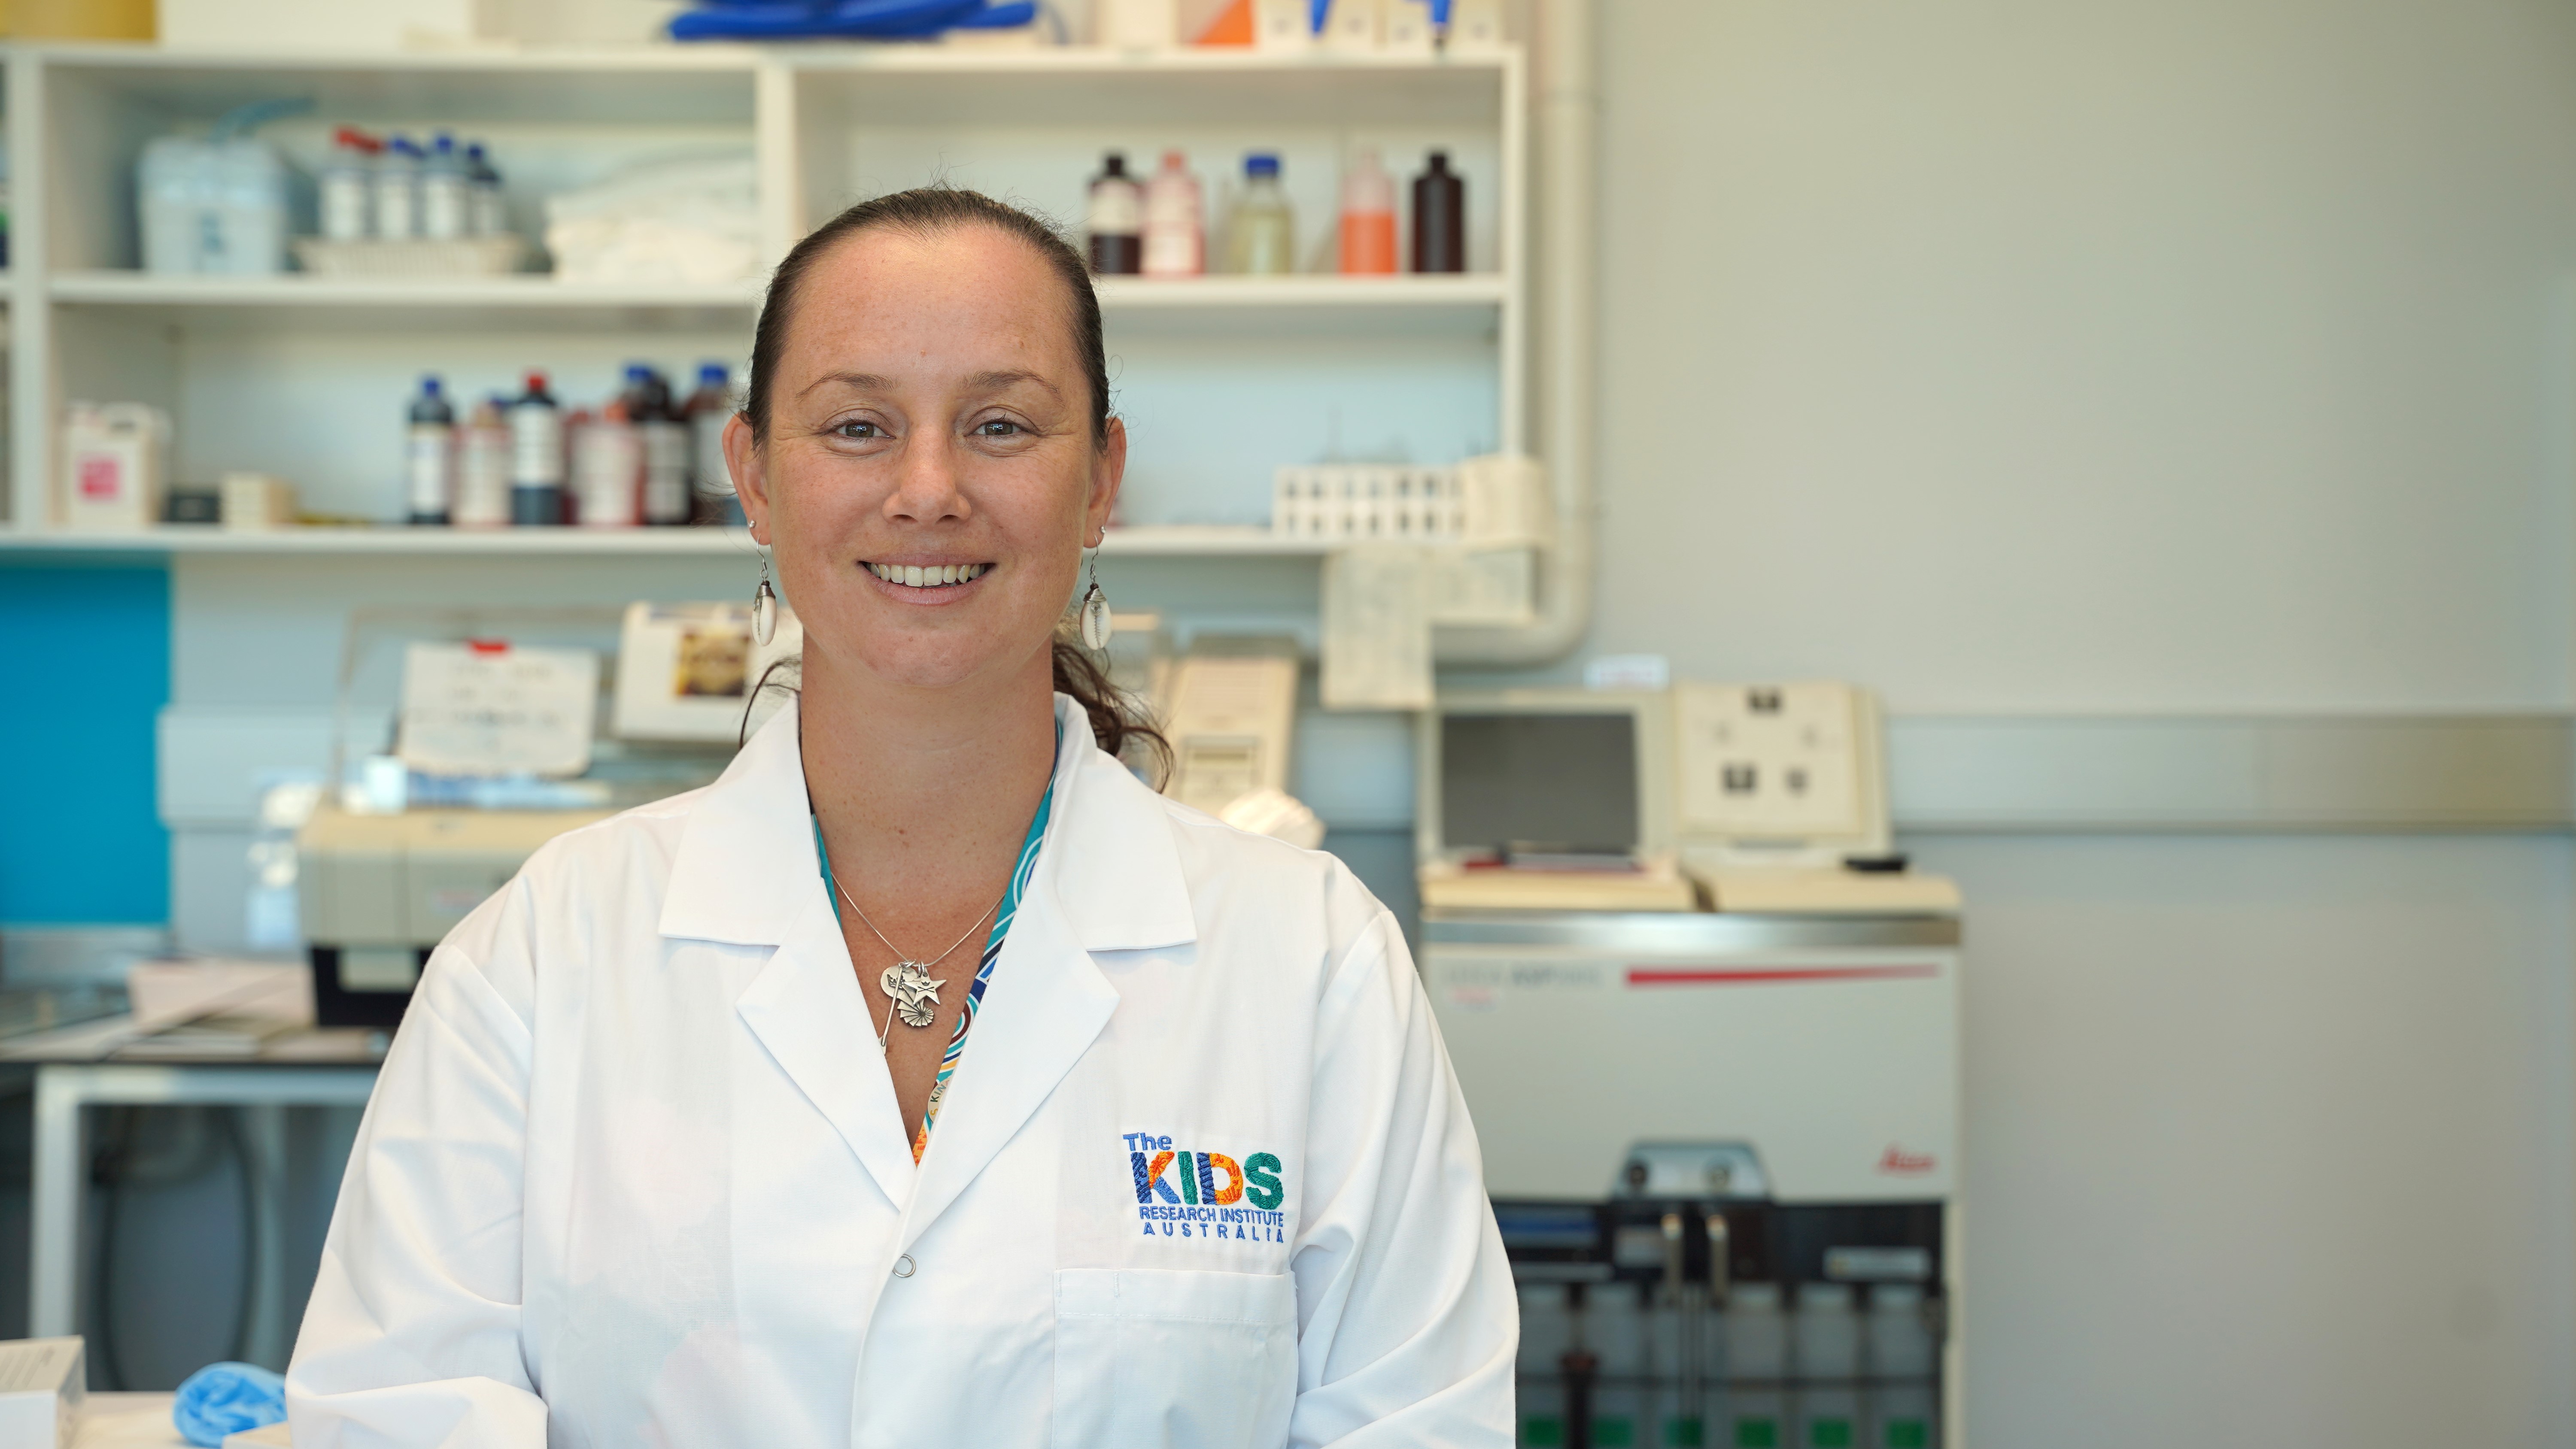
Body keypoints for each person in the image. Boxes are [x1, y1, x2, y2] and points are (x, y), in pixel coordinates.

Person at [283, 187, 1518, 1446]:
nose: (928, 491)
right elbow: (394, 1416)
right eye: (859, 426)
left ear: (1100, 479)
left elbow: (1418, 1424)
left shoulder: (1313, 964)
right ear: (755, 476)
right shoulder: (542, 955)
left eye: (1000, 425)